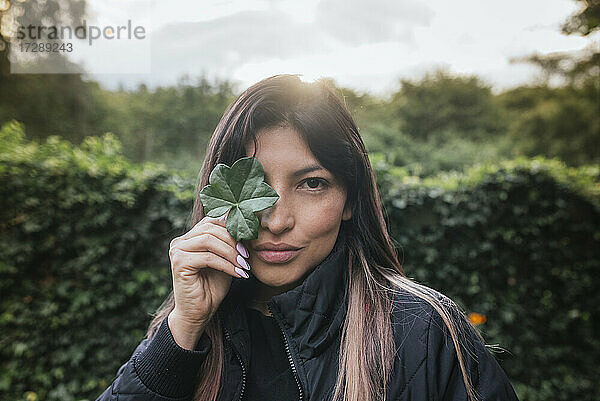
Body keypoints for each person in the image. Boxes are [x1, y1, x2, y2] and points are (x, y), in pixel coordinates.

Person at [96, 74, 519, 401]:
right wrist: (182, 331)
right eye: (254, 185)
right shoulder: (188, 329)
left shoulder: (424, 329)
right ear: (219, 195)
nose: (277, 221)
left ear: (349, 199)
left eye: (312, 184)